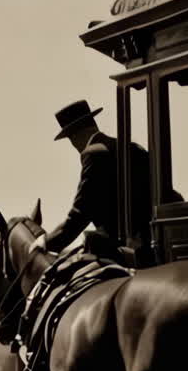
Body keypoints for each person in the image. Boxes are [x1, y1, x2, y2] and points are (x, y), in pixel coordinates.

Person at [30, 100, 124, 258]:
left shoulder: (93, 154)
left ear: (74, 135)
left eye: (70, 139)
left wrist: (48, 241)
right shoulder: (130, 146)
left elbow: (82, 211)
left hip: (116, 246)